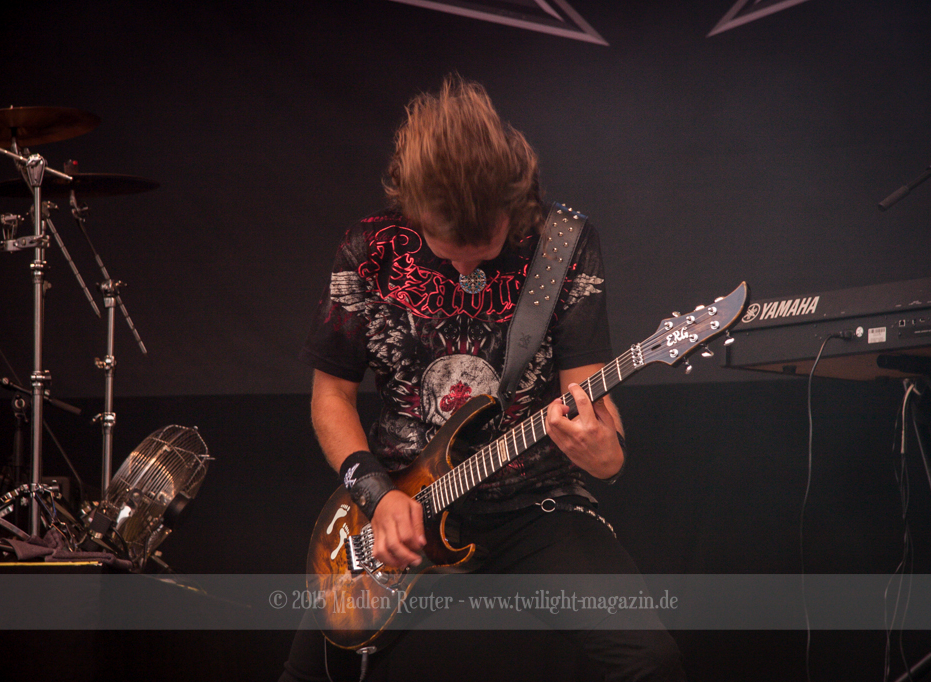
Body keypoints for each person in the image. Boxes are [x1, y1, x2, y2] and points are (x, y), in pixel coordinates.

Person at [281, 75, 685, 682]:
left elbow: (587, 395)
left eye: (486, 247)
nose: (468, 267)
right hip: (399, 508)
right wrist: (378, 497)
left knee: (650, 660)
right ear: (414, 209)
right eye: (449, 251)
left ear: (513, 202)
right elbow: (330, 398)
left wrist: (607, 455)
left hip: (535, 504)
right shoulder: (369, 248)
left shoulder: (565, 245)